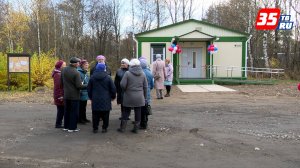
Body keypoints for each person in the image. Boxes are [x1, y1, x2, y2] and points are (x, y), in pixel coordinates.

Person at [118, 59, 148, 133]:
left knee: (126, 112)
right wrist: (144, 96)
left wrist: (125, 90)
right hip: (139, 96)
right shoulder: (143, 73)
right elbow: (145, 86)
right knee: (138, 112)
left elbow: (122, 84)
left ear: (131, 65)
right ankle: (136, 129)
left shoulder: (127, 73)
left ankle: (122, 128)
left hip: (128, 95)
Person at [88, 63, 116, 133]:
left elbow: (89, 89)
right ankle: (104, 127)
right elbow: (113, 88)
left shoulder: (92, 77)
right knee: (106, 114)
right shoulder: (108, 77)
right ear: (104, 68)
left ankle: (95, 128)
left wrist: (91, 97)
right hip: (106, 98)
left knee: (95, 114)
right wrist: (113, 96)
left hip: (95, 98)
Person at [61, 57, 87, 133]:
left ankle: (66, 126)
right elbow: (79, 86)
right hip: (74, 96)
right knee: (74, 112)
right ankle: (72, 128)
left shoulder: (63, 70)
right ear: (75, 63)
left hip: (66, 94)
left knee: (67, 111)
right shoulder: (76, 72)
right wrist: (87, 85)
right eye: (78, 63)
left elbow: (61, 82)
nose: (79, 64)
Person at [139, 58, 154, 129]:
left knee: (140, 108)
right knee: (146, 106)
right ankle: (146, 121)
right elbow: (152, 84)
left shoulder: (139, 73)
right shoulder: (149, 73)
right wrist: (149, 89)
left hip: (139, 92)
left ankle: (142, 123)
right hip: (147, 92)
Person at [52, 60, 66, 128]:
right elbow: (58, 86)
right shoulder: (58, 74)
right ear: (60, 66)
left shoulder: (59, 73)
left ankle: (59, 123)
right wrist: (61, 95)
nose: (65, 66)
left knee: (61, 109)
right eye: (64, 65)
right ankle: (58, 124)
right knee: (61, 110)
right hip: (59, 94)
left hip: (59, 93)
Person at [77, 59, 90, 124]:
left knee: (84, 107)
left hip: (85, 91)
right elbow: (79, 83)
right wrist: (88, 85)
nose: (87, 66)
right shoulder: (79, 72)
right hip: (81, 92)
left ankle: (84, 118)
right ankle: (80, 119)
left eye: (87, 64)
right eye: (85, 64)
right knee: (80, 107)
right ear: (82, 65)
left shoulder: (86, 72)